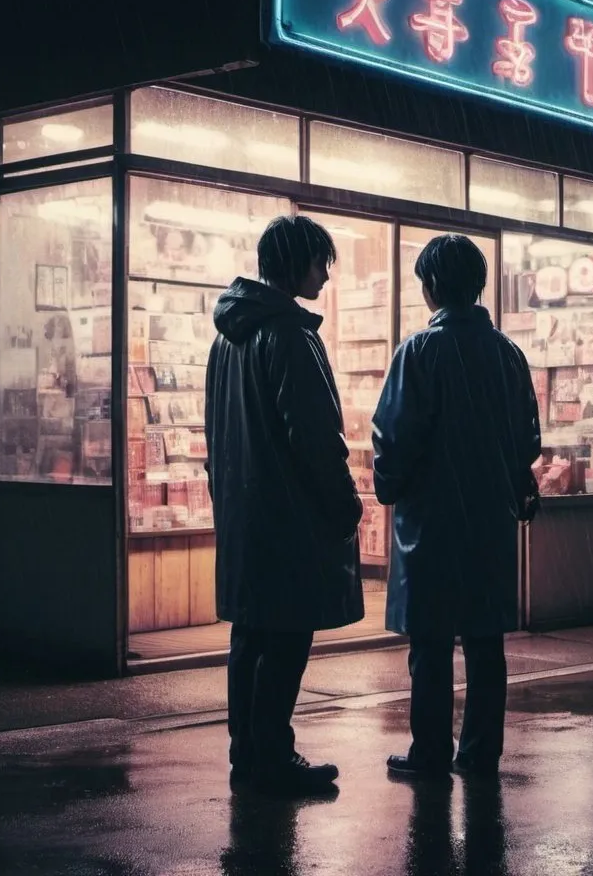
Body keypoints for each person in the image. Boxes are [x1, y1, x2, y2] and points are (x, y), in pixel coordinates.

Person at [205, 214, 364, 794]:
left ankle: (248, 753)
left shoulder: (229, 337)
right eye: (321, 261)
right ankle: (273, 756)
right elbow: (315, 435)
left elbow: (217, 434)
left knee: (249, 638)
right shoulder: (290, 334)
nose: (325, 273)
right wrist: (344, 502)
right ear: (297, 262)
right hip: (289, 517)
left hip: (246, 515)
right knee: (289, 637)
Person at [372, 233, 541, 779]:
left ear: (431, 287)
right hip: (490, 522)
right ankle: (480, 752)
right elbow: (527, 440)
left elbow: (394, 437)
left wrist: (388, 484)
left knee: (432, 644)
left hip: (432, 523)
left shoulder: (419, 352)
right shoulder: (508, 355)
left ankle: (429, 753)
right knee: (485, 643)